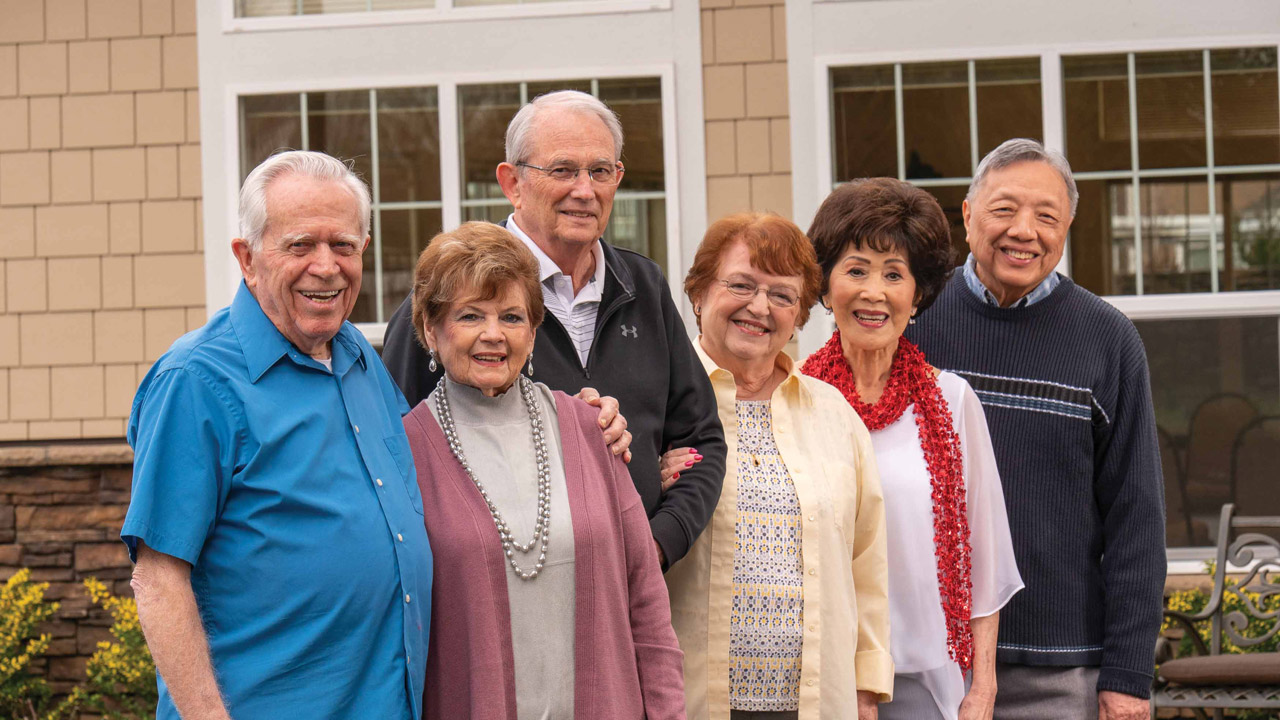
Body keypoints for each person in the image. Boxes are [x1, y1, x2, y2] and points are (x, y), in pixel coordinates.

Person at [121, 151, 433, 719]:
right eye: (299, 246)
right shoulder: (195, 381)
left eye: (343, 245)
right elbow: (159, 579)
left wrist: (571, 425)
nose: (326, 266)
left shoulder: (358, 354)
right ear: (247, 258)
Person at [381, 90, 726, 569]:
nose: (584, 190)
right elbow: (394, 458)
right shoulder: (448, 300)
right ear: (512, 183)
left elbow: (701, 439)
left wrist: (658, 544)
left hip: (637, 593)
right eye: (562, 170)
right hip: (504, 590)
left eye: (601, 171)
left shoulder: (642, 286)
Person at [905, 139, 1165, 720]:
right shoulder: (912, 323)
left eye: (1046, 216)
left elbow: (1136, 518)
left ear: (1067, 227)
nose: (1024, 231)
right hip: (927, 659)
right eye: (1004, 209)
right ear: (968, 215)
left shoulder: (1109, 341)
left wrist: (1127, 676)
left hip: (1059, 670)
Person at [402, 221, 685, 719]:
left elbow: (646, 598)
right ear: (431, 329)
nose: (493, 335)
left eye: (511, 317)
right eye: (470, 316)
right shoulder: (403, 453)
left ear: (533, 331)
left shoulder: (591, 430)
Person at [800, 179, 1024, 720]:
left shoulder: (953, 402)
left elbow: (985, 554)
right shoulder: (796, 399)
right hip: (820, 679)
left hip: (931, 680)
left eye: (894, 274)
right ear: (826, 288)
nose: (874, 292)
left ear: (917, 294)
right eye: (856, 270)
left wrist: (983, 687)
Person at [660, 212, 892, 720]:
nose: (759, 307)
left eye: (783, 296)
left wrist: (866, 688)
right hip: (688, 702)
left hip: (817, 702)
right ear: (698, 294)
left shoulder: (834, 413)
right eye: (741, 285)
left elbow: (866, 564)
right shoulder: (660, 407)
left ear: (800, 314)